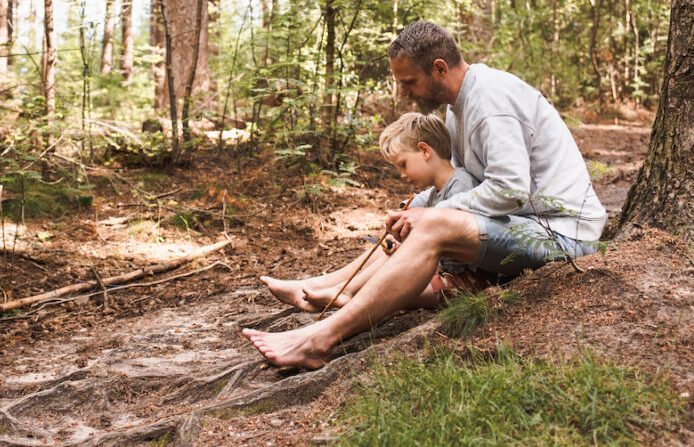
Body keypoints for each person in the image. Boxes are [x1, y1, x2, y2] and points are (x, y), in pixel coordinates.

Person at [244, 20, 608, 369]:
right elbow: (464, 180)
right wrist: (419, 207)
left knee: (432, 223)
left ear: (439, 68)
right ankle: (327, 288)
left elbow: (510, 190)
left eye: (409, 81)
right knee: (422, 212)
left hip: (563, 235)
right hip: (523, 225)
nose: (403, 92)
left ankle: (318, 340)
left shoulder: (491, 102)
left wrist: (434, 214)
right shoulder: (457, 107)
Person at [262, 111, 488, 313]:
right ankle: (319, 286)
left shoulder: (461, 186)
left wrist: (409, 251)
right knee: (390, 245)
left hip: (458, 280)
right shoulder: (435, 193)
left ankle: (345, 292)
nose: (402, 174)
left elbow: (458, 258)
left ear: (424, 151)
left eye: (403, 164)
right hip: (441, 271)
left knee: (381, 288)